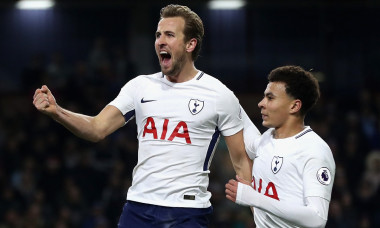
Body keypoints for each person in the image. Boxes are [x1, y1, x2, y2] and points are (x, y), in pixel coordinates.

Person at [33, 4, 257, 228]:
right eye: (158, 35)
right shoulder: (139, 86)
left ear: (191, 44)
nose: (160, 41)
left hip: (187, 212)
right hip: (138, 208)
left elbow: (240, 161)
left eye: (170, 35)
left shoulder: (218, 94)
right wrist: (57, 112)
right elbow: (96, 128)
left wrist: (260, 214)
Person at [225, 65, 336, 227]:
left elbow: (317, 219)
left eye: (270, 98)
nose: (261, 103)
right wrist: (222, 95)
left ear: (294, 106)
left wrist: (254, 197)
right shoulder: (266, 139)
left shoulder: (315, 150)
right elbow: (238, 115)